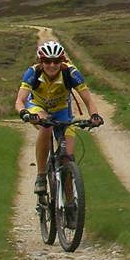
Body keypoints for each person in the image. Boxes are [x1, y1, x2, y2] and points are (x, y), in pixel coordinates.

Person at [14, 39, 104, 195]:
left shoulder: (71, 73)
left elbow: (88, 100)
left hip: (62, 111)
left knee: (67, 158)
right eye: (47, 61)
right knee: (46, 125)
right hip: (37, 107)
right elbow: (20, 101)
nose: (52, 65)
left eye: (56, 61)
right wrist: (25, 113)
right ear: (41, 62)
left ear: (62, 61)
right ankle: (41, 176)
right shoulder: (33, 73)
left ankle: (71, 206)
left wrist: (95, 116)